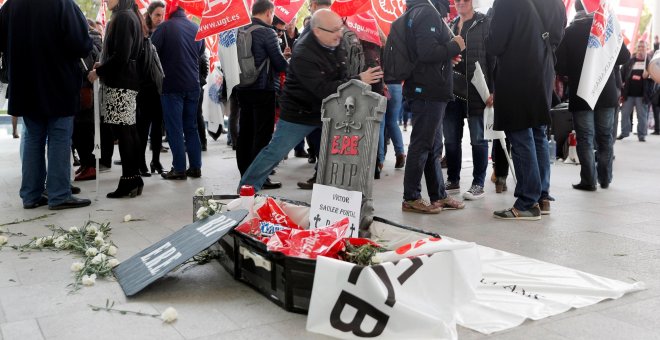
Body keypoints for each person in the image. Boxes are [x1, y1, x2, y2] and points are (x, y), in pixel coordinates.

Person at [238, 9, 383, 191]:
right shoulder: (304, 53)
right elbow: (323, 89)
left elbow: (341, 75)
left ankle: (330, 191)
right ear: (317, 31)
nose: (340, 34)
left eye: (340, 28)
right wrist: (359, 80)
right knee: (274, 153)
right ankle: (246, 189)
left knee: (337, 154)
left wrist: (355, 80)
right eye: (334, 30)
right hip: (299, 112)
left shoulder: (337, 42)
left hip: (326, 111)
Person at [0, 0, 92, 209]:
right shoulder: (62, 3)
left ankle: (31, 195)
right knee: (59, 136)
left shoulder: (12, 4)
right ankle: (59, 194)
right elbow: (80, 44)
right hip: (58, 82)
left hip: (24, 83)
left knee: (33, 137)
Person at [487, 0, 566, 220]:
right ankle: (542, 195)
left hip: (516, 74)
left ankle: (527, 201)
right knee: (538, 132)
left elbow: (495, 44)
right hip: (542, 71)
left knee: (519, 134)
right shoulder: (556, 3)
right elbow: (558, 38)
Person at [400, 0, 466, 214]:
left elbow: (426, 52)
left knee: (432, 145)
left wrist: (448, 55)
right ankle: (411, 197)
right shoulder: (427, 12)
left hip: (427, 87)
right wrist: (455, 46)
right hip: (428, 89)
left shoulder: (417, 11)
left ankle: (438, 194)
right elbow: (427, 52)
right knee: (422, 144)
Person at [556, 1, 630, 191]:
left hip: (582, 95)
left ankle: (589, 181)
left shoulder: (569, 32)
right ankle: (605, 178)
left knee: (585, 138)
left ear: (577, 10)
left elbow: (560, 66)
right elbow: (624, 57)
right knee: (606, 137)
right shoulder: (606, 28)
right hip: (606, 93)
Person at [88, 0, 145, 198]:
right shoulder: (130, 15)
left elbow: (121, 55)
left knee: (124, 132)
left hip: (120, 82)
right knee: (128, 130)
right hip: (127, 80)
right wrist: (103, 63)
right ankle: (134, 178)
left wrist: (100, 71)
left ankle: (129, 179)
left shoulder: (122, 17)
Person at [234, 0, 290, 189]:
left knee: (245, 133)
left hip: (243, 88)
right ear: (268, 12)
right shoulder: (268, 33)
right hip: (263, 88)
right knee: (262, 135)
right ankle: (258, 178)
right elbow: (279, 64)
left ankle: (245, 175)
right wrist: (286, 58)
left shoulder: (241, 30)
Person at [442, 0, 494, 201]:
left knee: (478, 139)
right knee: (451, 139)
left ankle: (478, 183)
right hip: (452, 90)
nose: (461, 2)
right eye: (457, 0)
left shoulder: (484, 22)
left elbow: (493, 58)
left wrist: (493, 89)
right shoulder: (451, 25)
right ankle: (453, 178)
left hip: (476, 89)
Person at [152, 5, 205, 179]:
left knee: (174, 128)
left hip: (171, 84)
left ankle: (179, 169)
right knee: (191, 127)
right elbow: (201, 52)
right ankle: (195, 167)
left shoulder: (164, 27)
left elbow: (151, 51)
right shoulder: (196, 27)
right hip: (193, 84)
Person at [137, 0, 166, 175]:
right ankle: (141, 162)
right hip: (144, 86)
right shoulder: (142, 32)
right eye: (157, 15)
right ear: (149, 14)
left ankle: (156, 160)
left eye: (162, 15)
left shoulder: (163, 32)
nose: (160, 18)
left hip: (159, 87)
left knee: (157, 127)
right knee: (142, 127)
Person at [73, 19, 104, 182]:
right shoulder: (95, 39)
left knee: (80, 130)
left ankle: (89, 165)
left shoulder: (84, 43)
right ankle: (87, 164)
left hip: (83, 88)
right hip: (90, 91)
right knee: (85, 129)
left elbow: (84, 66)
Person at [618, 41, 653, 142]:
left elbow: (655, 77)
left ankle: (641, 135)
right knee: (624, 114)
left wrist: (648, 76)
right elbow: (622, 73)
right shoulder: (630, 61)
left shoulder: (649, 62)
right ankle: (624, 132)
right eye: (639, 46)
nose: (641, 48)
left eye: (643, 46)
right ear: (637, 48)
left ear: (646, 48)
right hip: (628, 94)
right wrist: (622, 83)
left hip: (642, 95)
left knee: (642, 116)